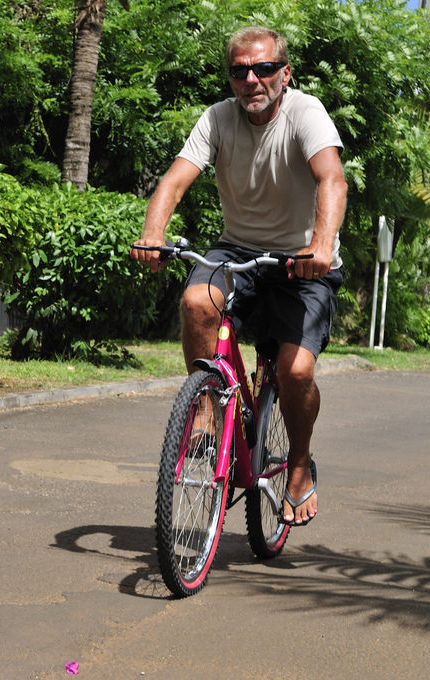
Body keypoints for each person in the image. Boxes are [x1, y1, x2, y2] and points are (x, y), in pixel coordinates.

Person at [130, 26, 347, 526]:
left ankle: (297, 461)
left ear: (284, 73)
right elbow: (175, 180)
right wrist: (152, 234)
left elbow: (331, 178)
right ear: (231, 77)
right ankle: (205, 409)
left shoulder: (306, 113)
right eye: (240, 70)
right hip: (239, 249)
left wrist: (319, 246)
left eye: (264, 68)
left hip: (301, 260)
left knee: (294, 372)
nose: (252, 79)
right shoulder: (217, 119)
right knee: (196, 303)